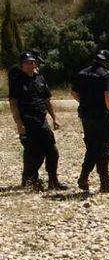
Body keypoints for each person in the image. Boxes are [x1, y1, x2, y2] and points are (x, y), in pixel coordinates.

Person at [7, 51, 66, 191]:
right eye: (27, 63)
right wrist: (19, 124)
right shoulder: (17, 80)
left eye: (32, 62)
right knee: (34, 153)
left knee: (53, 151)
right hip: (28, 122)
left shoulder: (39, 78)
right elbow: (13, 103)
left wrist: (54, 118)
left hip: (42, 121)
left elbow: (46, 100)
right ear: (21, 65)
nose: (30, 65)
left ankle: (53, 181)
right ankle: (31, 181)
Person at [71, 49, 109, 192]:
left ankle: (84, 178)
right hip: (101, 116)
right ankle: (104, 184)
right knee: (103, 148)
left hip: (85, 115)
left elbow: (73, 92)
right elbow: (108, 95)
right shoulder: (106, 75)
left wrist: (84, 102)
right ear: (107, 61)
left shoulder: (82, 73)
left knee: (91, 147)